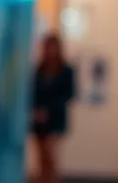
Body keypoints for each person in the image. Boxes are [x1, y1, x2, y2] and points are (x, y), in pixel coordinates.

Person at [30, 34, 76, 183]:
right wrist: (36, 111)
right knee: (41, 158)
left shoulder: (66, 70)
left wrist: (48, 110)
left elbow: (68, 94)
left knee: (51, 156)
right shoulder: (39, 69)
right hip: (39, 120)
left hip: (55, 119)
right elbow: (33, 93)